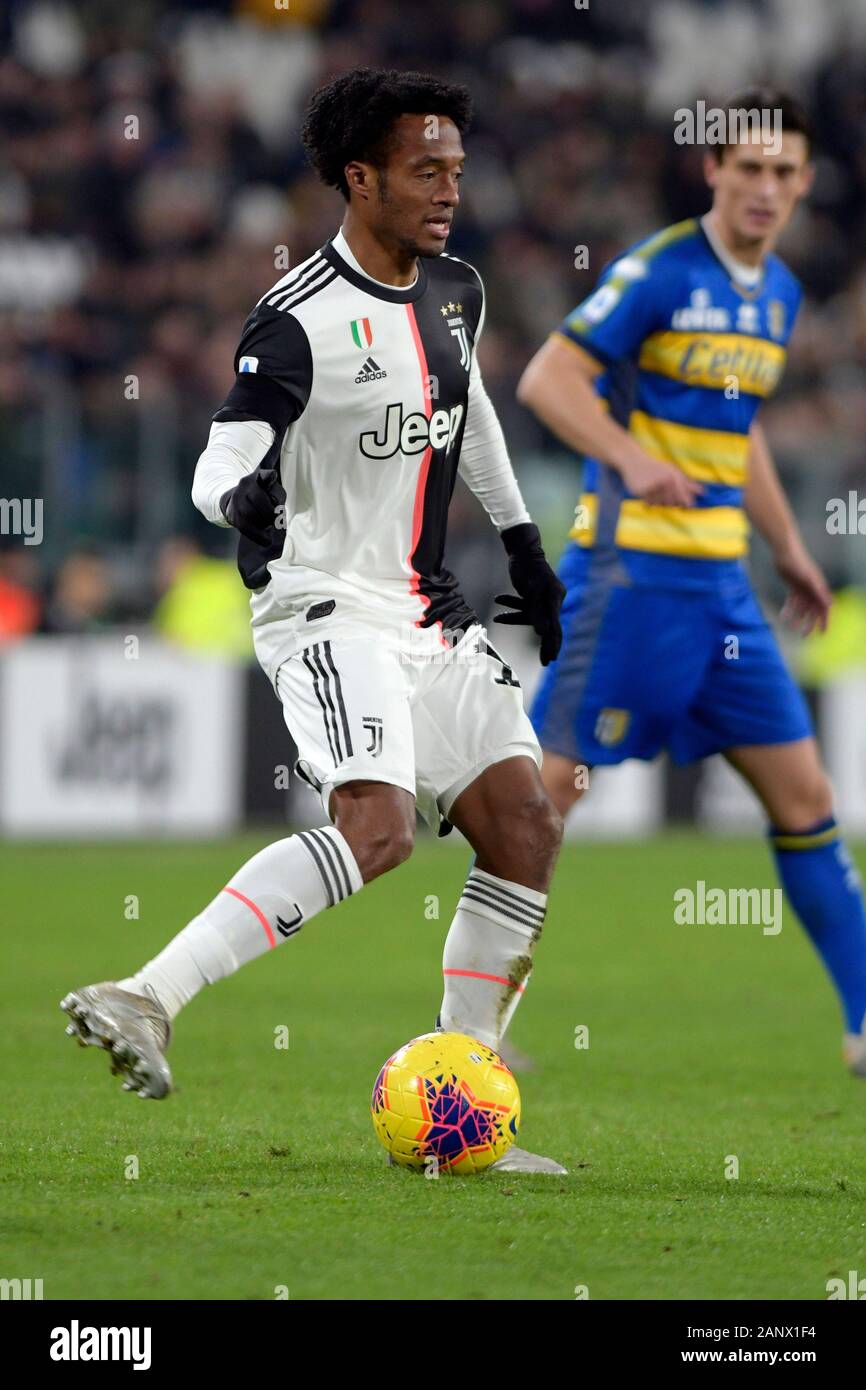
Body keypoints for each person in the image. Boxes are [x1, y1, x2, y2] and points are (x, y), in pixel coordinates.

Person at [61, 68, 567, 1173]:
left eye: (457, 169)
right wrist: (236, 499)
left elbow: (463, 401)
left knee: (524, 823)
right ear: (360, 177)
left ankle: (461, 1097)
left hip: (426, 608)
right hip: (322, 602)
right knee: (378, 830)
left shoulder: (454, 291)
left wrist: (522, 539)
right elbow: (222, 454)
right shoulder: (294, 321)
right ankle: (146, 993)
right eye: (424, 170)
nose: (448, 189)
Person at [518, 89, 866, 1077]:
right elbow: (547, 378)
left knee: (802, 794)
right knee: (548, 790)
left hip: (723, 590)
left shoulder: (778, 295)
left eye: (781, 173)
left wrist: (788, 546)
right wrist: (626, 460)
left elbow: (736, 428)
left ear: (802, 183)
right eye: (745, 168)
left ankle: (862, 1021)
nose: (763, 188)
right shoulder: (659, 271)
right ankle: (471, 1024)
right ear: (710, 168)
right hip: (629, 576)